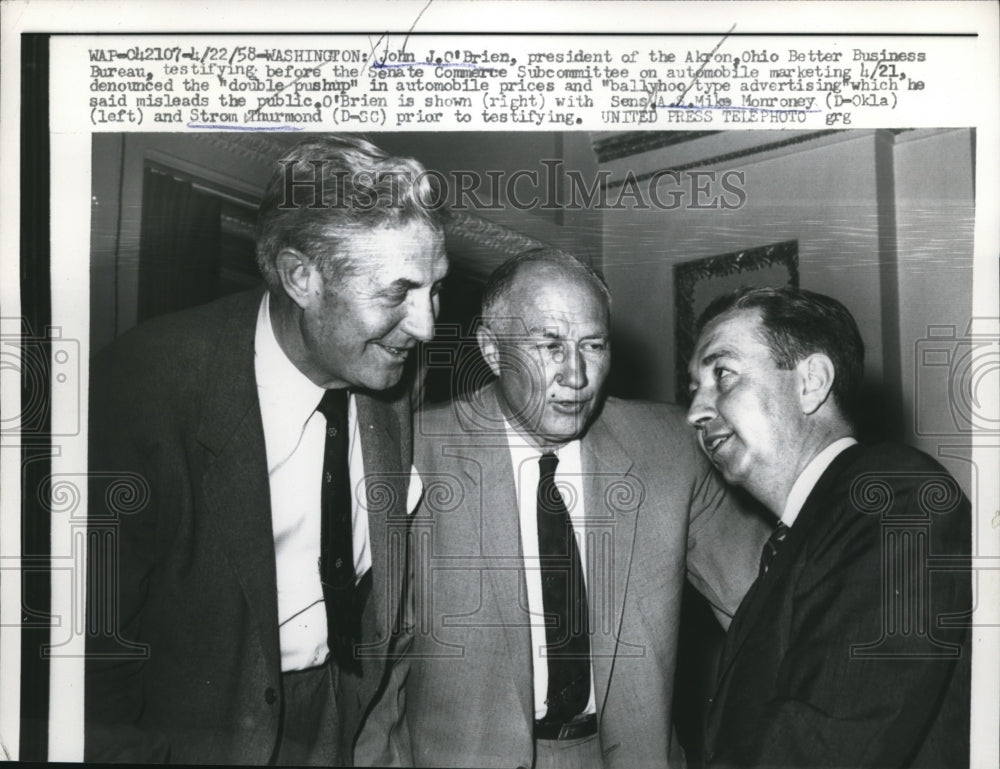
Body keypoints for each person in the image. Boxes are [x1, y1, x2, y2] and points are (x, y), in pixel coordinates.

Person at [85, 135, 448, 765]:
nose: (426, 327)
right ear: (301, 276)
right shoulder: (146, 386)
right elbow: (87, 654)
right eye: (398, 293)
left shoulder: (394, 375)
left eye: (435, 289)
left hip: (345, 716)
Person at [398, 249, 767, 769]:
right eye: (549, 346)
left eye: (592, 345)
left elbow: (766, 614)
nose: (576, 375)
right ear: (491, 348)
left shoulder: (670, 448)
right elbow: (368, 677)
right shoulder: (414, 453)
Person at [686, 285, 971, 768]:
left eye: (723, 375)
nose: (695, 412)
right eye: (694, 388)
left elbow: (826, 743)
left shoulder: (896, 496)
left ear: (811, 382)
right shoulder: (804, 533)